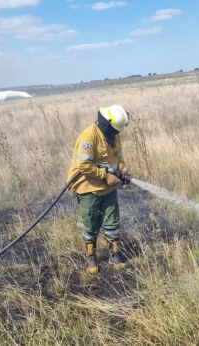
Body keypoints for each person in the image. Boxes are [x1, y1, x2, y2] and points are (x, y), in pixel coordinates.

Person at [67, 105, 131, 274]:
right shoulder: (89, 136)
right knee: (91, 224)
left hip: (108, 188)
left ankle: (115, 254)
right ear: (107, 124)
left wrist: (122, 171)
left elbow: (119, 157)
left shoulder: (113, 135)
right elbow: (83, 164)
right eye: (114, 130)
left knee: (112, 221)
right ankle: (91, 257)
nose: (116, 134)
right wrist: (105, 175)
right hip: (89, 188)